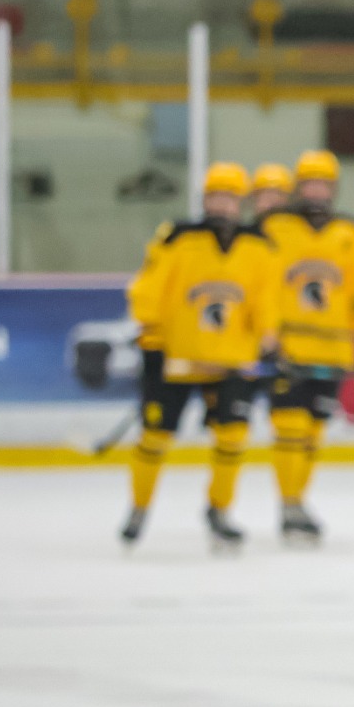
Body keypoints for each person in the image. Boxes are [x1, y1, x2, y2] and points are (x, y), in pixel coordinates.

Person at [121, 162, 280, 551]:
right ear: (204, 199)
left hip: (230, 358)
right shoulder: (177, 237)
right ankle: (139, 508)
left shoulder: (258, 246)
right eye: (214, 197)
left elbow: (266, 299)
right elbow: (148, 288)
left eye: (228, 198)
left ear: (240, 203)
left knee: (233, 435)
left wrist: (268, 339)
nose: (221, 205)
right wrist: (152, 336)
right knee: (156, 436)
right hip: (175, 357)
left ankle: (219, 511)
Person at [258, 149, 354, 546]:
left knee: (312, 432)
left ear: (334, 189)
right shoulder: (274, 227)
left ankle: (297, 501)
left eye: (323, 184)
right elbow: (259, 286)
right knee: (289, 427)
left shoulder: (350, 233)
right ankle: (288, 505)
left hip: (334, 351)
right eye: (309, 184)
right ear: (297, 187)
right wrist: (265, 335)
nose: (316, 192)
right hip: (288, 348)